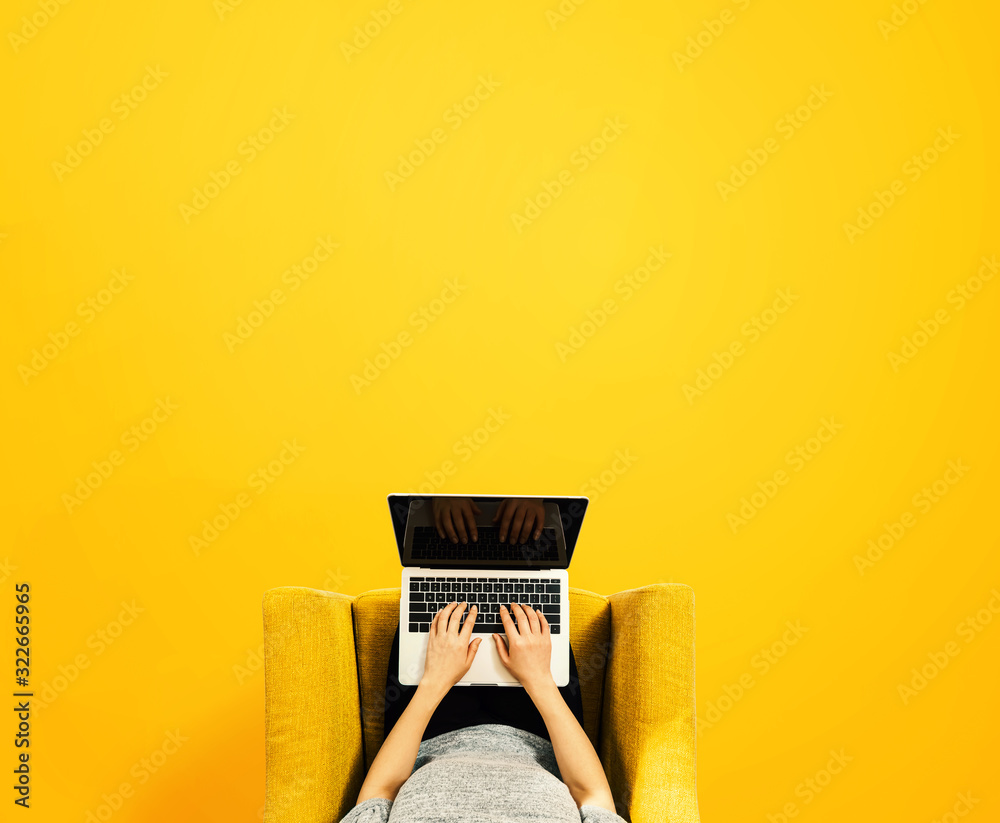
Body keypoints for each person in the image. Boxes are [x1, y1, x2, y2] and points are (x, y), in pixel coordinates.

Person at [337, 599, 626, 823]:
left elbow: (379, 795)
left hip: (427, 729)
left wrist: (434, 682)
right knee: (523, 570)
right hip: (542, 728)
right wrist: (539, 681)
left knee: (445, 569)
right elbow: (593, 796)